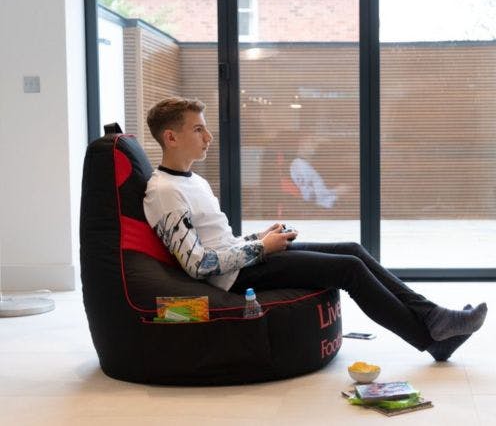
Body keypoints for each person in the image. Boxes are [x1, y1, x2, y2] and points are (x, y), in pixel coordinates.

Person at [143, 97, 488, 361]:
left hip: (244, 261)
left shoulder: (193, 181)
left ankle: (434, 317)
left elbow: (220, 241)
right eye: (198, 129)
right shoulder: (164, 192)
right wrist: (262, 249)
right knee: (349, 269)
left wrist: (258, 238)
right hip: (234, 279)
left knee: (352, 249)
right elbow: (198, 264)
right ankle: (430, 340)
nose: (209, 135)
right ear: (171, 137)